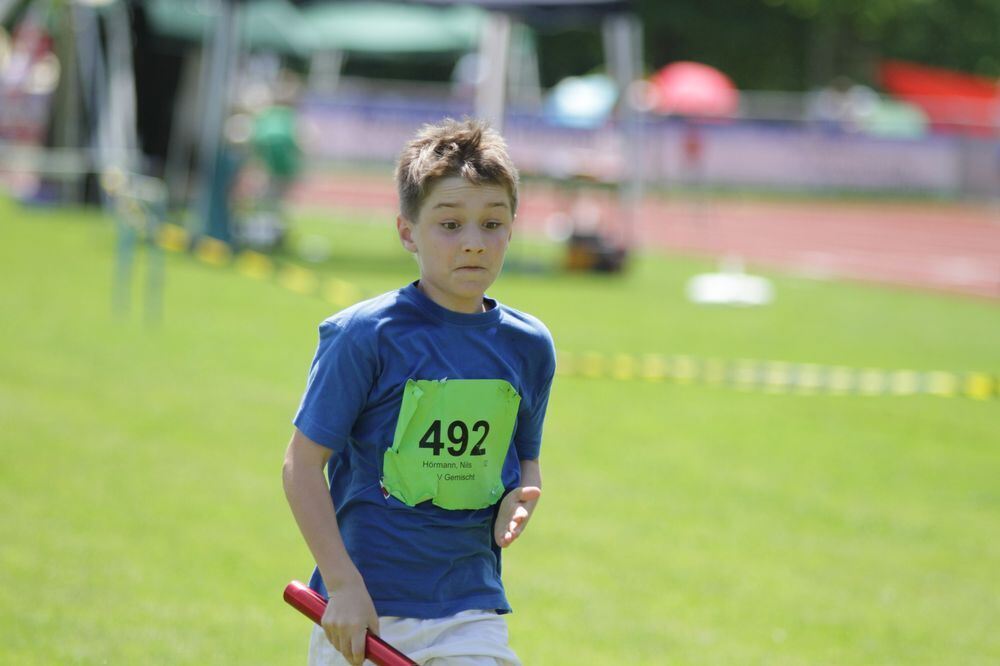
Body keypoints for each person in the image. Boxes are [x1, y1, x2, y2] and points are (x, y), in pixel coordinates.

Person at [282, 118, 556, 666]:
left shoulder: (530, 346)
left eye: (492, 223)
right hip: (365, 614)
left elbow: (526, 460)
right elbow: (301, 466)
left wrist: (523, 496)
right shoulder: (363, 336)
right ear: (408, 231)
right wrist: (343, 587)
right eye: (450, 225)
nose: (474, 243)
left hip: (470, 611)